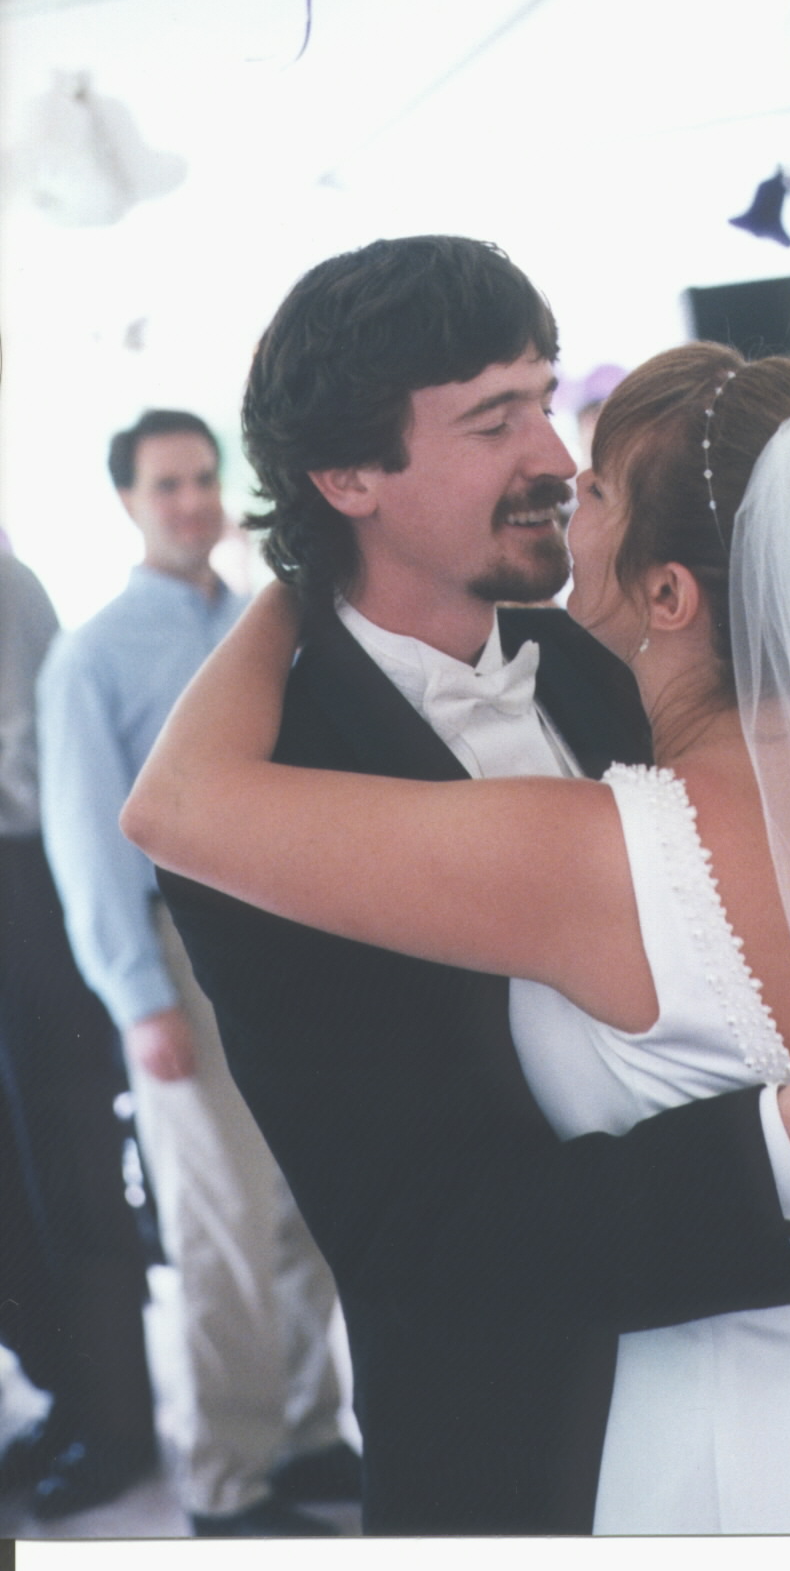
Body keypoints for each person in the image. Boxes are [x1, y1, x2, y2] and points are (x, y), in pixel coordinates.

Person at [127, 344, 790, 1534]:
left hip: (758, 1427)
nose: (561, 482)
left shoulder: (593, 851)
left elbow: (177, 805)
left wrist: (307, 565)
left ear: (671, 595)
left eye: (602, 489)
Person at [149, 238, 790, 1537]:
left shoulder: (617, 657)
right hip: (517, 1456)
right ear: (347, 476)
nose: (556, 456)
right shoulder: (261, 800)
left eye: (543, 398)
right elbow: (422, 1242)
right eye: (493, 419)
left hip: (784, 1402)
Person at [36, 411, 355, 1539]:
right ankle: (227, 1483)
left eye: (202, 478)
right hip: (181, 955)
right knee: (220, 1226)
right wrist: (139, 1000)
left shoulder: (267, 623)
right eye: (166, 484)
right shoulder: (92, 655)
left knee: (304, 1208)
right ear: (128, 501)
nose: (190, 501)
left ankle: (307, 1433)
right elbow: (87, 846)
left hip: (293, 947)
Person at [0, 549, 157, 1521]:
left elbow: (26, 764)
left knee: (71, 1171)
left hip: (26, 888)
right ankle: (68, 1396)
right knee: (15, 1188)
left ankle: (118, 1422)